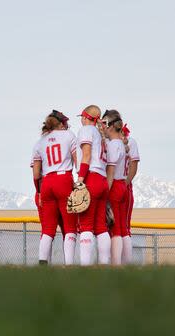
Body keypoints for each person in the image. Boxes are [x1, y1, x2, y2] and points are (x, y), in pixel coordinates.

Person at [32, 110, 78, 265]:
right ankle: (69, 264)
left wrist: (39, 192)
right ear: (60, 123)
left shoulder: (40, 142)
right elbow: (78, 162)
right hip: (63, 179)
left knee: (47, 229)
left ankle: (43, 264)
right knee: (70, 227)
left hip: (47, 183)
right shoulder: (69, 135)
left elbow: (36, 174)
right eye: (64, 122)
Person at [75, 105, 110, 265]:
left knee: (86, 225)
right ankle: (104, 264)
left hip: (92, 177)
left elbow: (86, 155)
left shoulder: (87, 130)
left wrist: (80, 179)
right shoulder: (100, 135)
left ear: (85, 117)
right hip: (102, 179)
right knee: (101, 226)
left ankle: (85, 266)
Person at [101, 111, 130, 265]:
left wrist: (106, 192)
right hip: (122, 185)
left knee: (116, 229)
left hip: (115, 185)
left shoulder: (113, 145)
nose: (103, 128)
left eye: (105, 124)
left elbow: (111, 172)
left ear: (111, 126)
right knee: (123, 229)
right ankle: (125, 263)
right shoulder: (121, 144)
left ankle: (116, 264)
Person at [123, 122, 140, 264]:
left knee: (123, 227)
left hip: (119, 184)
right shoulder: (107, 141)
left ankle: (123, 263)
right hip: (114, 185)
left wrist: (126, 183)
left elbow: (134, 167)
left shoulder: (130, 141)